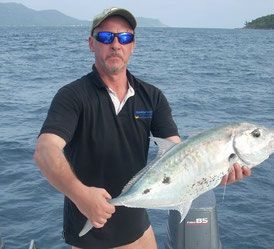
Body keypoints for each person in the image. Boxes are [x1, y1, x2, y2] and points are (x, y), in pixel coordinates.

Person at [34, 6, 251, 249]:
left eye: (124, 37)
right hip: (91, 237)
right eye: (106, 37)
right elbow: (46, 150)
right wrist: (80, 195)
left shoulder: (152, 96)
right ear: (91, 43)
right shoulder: (72, 96)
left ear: (133, 45)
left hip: (140, 232)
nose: (116, 44)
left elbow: (179, 156)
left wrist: (211, 173)